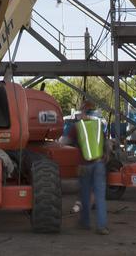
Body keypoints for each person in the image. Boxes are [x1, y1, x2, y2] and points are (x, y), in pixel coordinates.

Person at [60, 99, 110, 235]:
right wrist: (105, 156)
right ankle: (102, 226)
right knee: (100, 197)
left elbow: (63, 142)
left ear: (82, 111)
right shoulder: (99, 125)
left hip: (84, 165)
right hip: (99, 164)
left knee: (85, 195)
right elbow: (106, 144)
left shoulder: (77, 127)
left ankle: (85, 222)